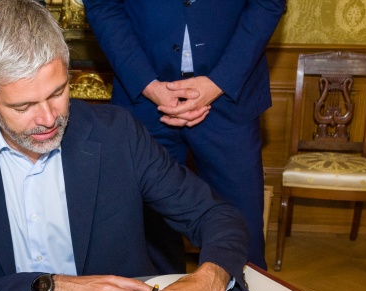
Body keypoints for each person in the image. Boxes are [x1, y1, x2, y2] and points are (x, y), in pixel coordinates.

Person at [0, 0, 252, 291]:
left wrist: (205, 282)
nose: (48, 119)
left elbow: (217, 216)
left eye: (57, 92)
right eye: (23, 107)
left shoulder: (117, 134)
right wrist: (54, 288)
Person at [83, 0, 285, 270]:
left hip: (231, 99)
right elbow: (102, 6)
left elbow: (268, 3)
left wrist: (220, 82)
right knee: (146, 242)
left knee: (242, 239)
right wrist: (147, 84)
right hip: (143, 99)